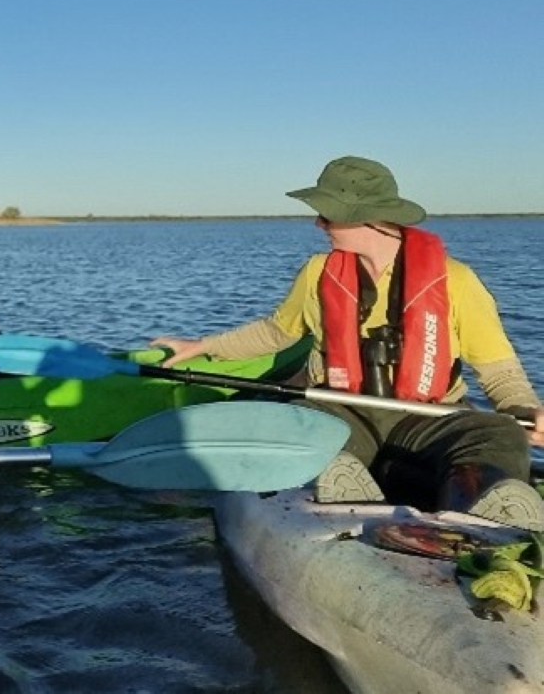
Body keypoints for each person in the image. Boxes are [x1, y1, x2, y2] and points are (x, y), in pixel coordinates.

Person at [153, 156, 544, 530]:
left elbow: (498, 369)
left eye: (326, 214)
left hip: (428, 418)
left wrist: (525, 410)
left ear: (360, 218)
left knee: (499, 433)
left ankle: (479, 515)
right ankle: (344, 491)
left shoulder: (456, 280)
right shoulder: (317, 273)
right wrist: (203, 346)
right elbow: (277, 332)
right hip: (343, 412)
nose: (318, 223)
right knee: (301, 423)